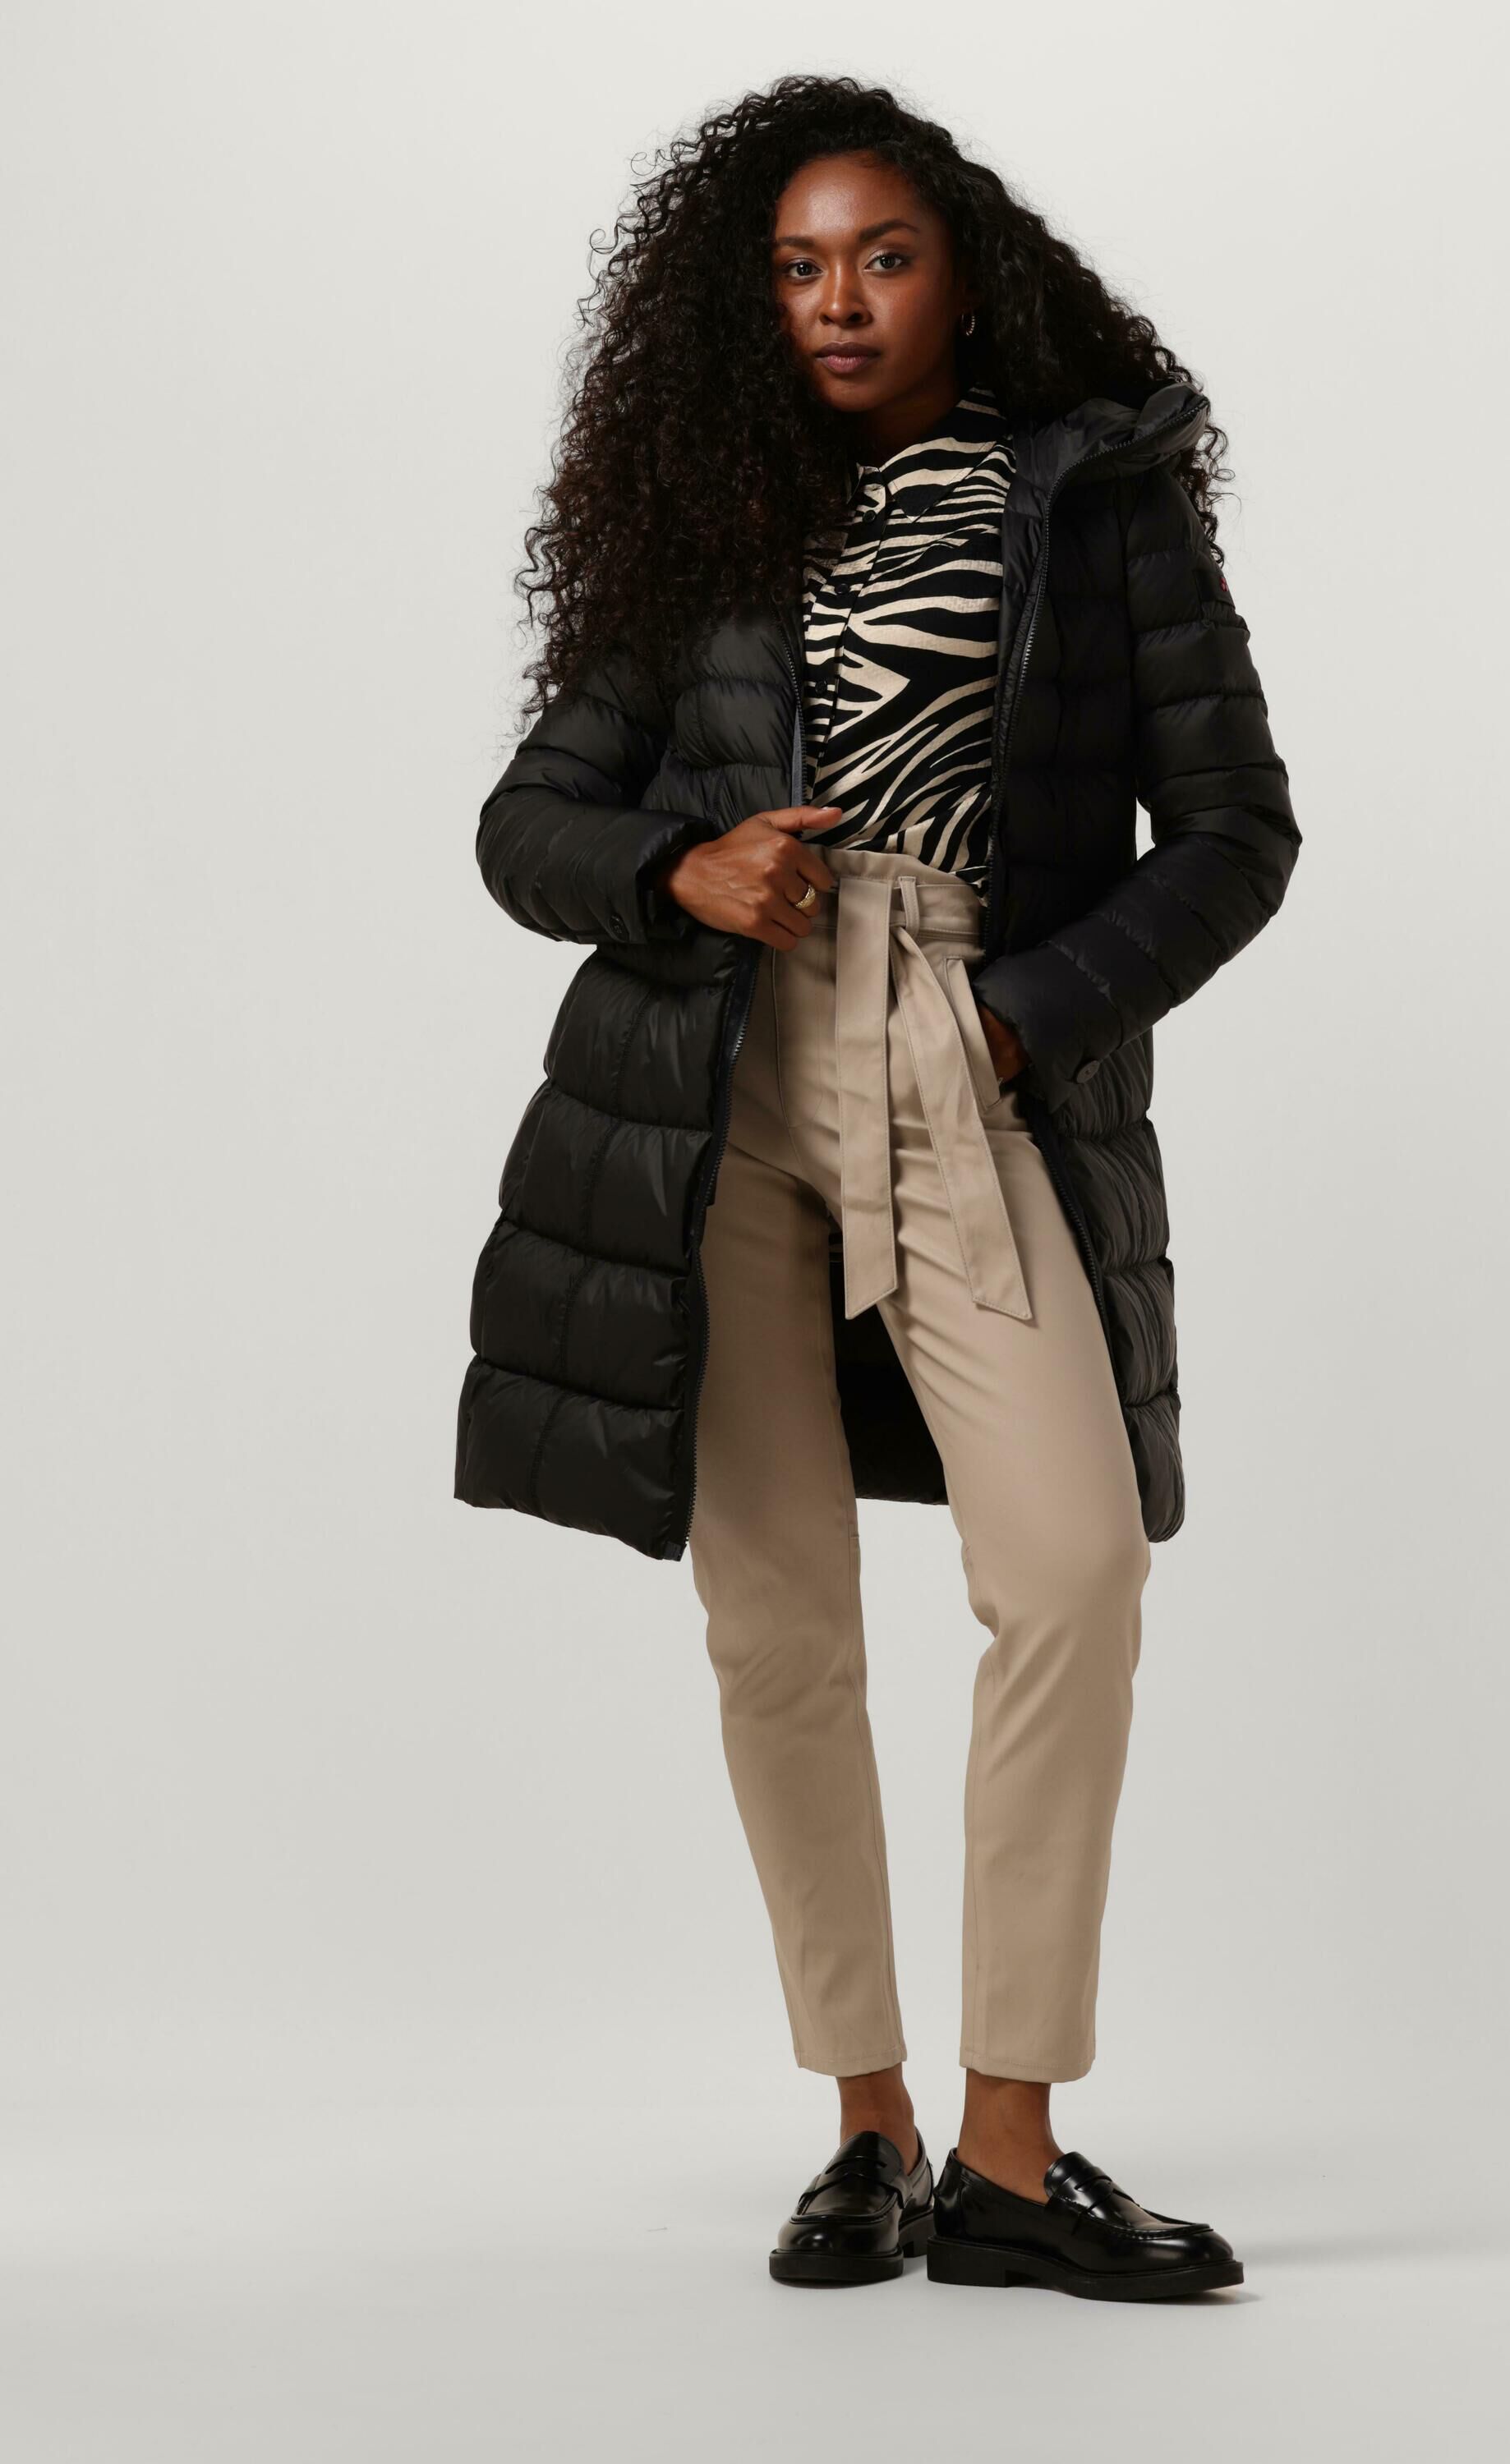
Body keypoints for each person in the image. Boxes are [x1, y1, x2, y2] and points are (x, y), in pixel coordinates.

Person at [455, 73, 1299, 2302]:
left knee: (1073, 1567)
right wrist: (677, 864)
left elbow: (1235, 832)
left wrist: (1022, 1019)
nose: (838, 300)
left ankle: (1013, 2154)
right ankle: (868, 2123)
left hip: (962, 1035)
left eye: (882, 258)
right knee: (777, 1613)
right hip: (722, 1070)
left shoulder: (1092, 496)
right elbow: (525, 822)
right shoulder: (707, 515)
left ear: (964, 274)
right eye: (797, 268)